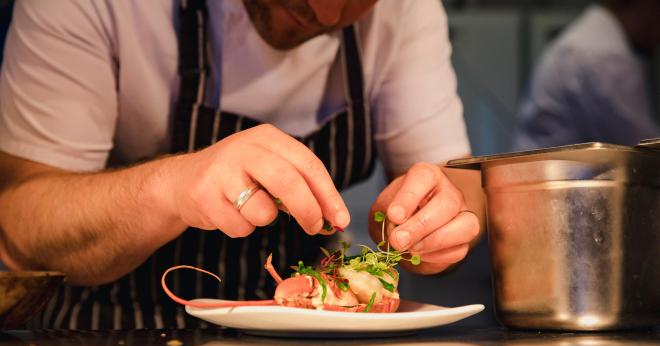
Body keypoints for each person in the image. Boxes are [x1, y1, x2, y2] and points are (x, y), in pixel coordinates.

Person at [0, 0, 483, 329]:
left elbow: (458, 180)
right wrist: (170, 187)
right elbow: (21, 223)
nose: (327, 11)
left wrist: (435, 216)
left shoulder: (407, 9)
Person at [513, 0, 660, 151]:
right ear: (648, 6)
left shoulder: (593, 38)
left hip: (544, 168)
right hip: (556, 171)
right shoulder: (606, 56)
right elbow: (643, 148)